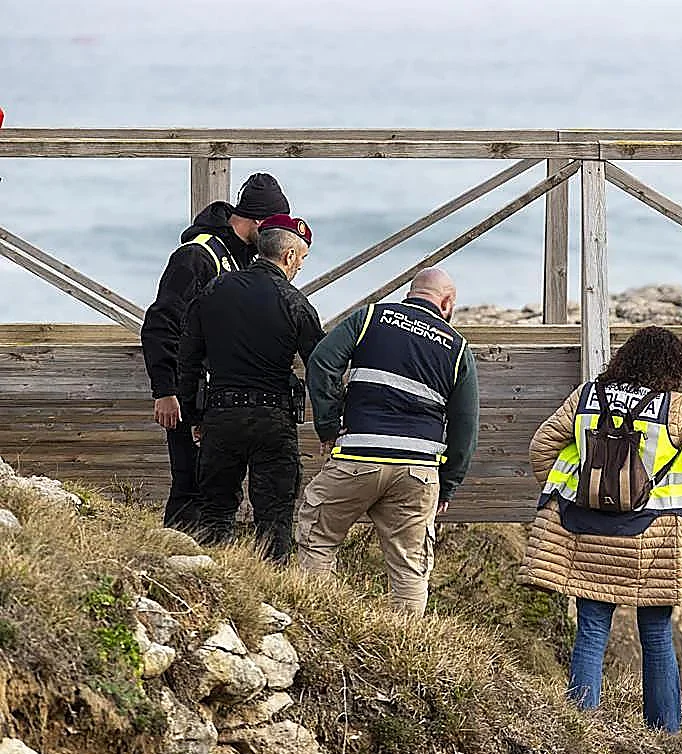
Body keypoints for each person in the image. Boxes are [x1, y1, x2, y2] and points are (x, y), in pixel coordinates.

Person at [518, 326, 682, 733]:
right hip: (653, 538)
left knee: (592, 630)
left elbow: (540, 445)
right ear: (673, 366)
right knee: (656, 635)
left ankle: (580, 729)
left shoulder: (584, 398)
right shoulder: (674, 408)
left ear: (625, 358)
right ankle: (666, 734)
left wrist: (573, 488)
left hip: (588, 529)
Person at [296, 268, 480, 614]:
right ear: (447, 302)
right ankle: (407, 648)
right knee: (409, 567)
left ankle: (314, 621)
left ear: (411, 293)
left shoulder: (370, 317)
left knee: (318, 537)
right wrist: (449, 484)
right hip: (418, 471)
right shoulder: (458, 349)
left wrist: (328, 424)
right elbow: (465, 427)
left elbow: (322, 362)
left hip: (358, 458)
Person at [141, 173, 290, 532]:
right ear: (257, 221)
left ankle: (199, 562)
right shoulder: (198, 256)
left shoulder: (239, 260)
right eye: (271, 227)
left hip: (219, 399)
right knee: (190, 486)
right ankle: (174, 560)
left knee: (213, 491)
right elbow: (160, 323)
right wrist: (166, 390)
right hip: (188, 395)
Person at [176, 214, 323, 563]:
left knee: (214, 512)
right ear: (288, 257)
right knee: (274, 518)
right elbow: (320, 366)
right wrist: (329, 426)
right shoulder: (295, 302)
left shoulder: (214, 290)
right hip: (273, 420)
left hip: (221, 416)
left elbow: (188, 359)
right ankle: (271, 595)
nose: (300, 267)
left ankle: (211, 585)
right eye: (301, 259)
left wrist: (195, 415)